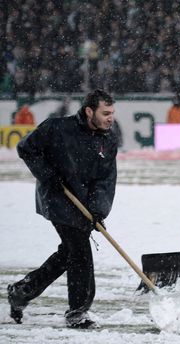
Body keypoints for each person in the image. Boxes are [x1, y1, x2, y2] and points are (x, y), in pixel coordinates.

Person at [8, 89, 118, 328]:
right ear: (89, 111)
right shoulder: (57, 128)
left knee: (67, 254)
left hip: (84, 204)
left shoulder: (108, 139)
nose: (110, 118)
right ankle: (77, 312)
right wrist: (48, 175)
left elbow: (105, 179)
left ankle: (23, 291)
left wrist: (98, 210)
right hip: (57, 198)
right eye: (105, 113)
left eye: (112, 113)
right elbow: (26, 148)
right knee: (80, 253)